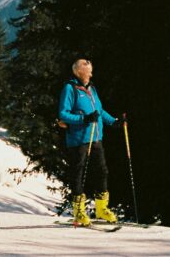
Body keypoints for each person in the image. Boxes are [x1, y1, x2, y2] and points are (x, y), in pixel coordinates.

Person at [57, 58, 119, 226]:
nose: (91, 73)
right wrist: (84, 118)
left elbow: (99, 110)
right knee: (78, 174)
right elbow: (63, 114)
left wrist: (113, 121)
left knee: (102, 171)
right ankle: (79, 212)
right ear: (79, 72)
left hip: (96, 137)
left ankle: (101, 209)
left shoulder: (91, 88)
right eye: (88, 70)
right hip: (79, 139)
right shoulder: (70, 88)